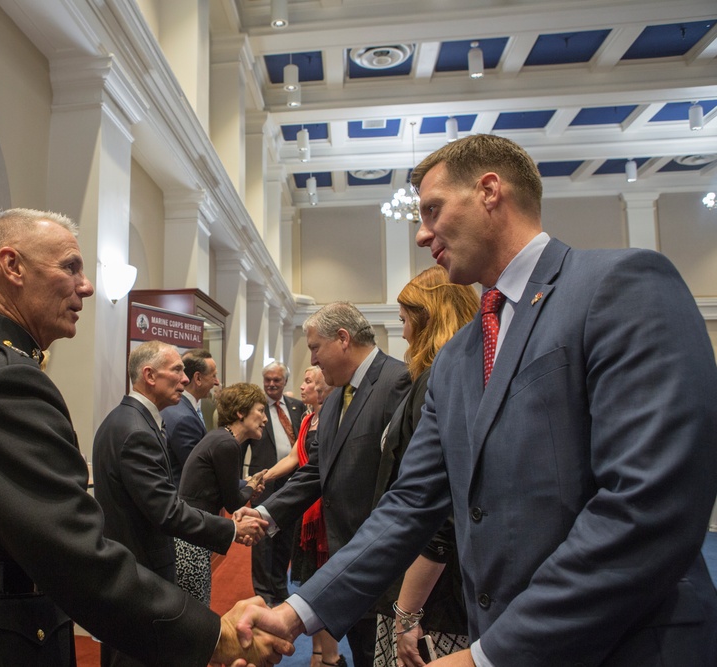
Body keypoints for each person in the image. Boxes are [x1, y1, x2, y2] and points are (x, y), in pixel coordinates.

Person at [236, 134, 717, 667]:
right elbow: (411, 503)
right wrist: (297, 613)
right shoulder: (459, 354)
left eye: (433, 210)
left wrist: (488, 656)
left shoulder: (620, 286)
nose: (421, 235)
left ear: (490, 191)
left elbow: (649, 505)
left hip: (629, 646)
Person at [0, 208, 290, 667]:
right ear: (12, 266)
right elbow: (76, 556)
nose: (87, 286)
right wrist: (216, 635)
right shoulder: (5, 382)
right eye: (70, 266)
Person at [239, 302, 411, 667]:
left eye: (316, 348)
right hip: (342, 559)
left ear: (343, 339)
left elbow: (406, 483)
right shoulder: (333, 400)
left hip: (384, 565)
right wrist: (265, 515)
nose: (313, 361)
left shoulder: (399, 382)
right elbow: (316, 471)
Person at [92, 340, 269, 667]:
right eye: (176, 371)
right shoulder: (135, 430)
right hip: (139, 574)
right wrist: (231, 528)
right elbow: (166, 510)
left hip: (129, 571)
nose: (185, 379)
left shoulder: (124, 420)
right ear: (149, 375)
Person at [370, 266, 479, 667]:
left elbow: (438, 508)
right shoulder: (450, 378)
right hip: (425, 584)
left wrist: (408, 613)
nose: (402, 334)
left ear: (428, 317)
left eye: (404, 321)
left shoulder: (436, 381)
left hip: (431, 597)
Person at [263, 366, 345, 667]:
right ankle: (318, 653)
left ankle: (332, 656)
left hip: (326, 511)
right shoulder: (308, 419)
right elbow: (296, 458)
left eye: (308, 381)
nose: (302, 386)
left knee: (326, 583)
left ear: (324, 386)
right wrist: (265, 476)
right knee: (312, 582)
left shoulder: (337, 417)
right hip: (307, 510)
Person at [176, 382, 269, 605]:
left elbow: (220, 486)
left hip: (190, 533)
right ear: (240, 412)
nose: (265, 419)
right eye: (260, 410)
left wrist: (246, 484)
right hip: (192, 540)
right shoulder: (227, 444)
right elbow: (233, 504)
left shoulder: (220, 438)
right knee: (196, 611)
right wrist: (252, 485)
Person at [240, 362, 306, 606]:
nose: (271, 384)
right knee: (262, 539)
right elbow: (240, 446)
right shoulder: (255, 409)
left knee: (285, 537)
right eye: (267, 379)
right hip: (263, 483)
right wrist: (239, 485)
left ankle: (280, 589)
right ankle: (263, 594)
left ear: (284, 381)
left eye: (276, 380)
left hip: (294, 482)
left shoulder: (297, 407)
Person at [160, 347, 221, 486]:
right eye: (213, 376)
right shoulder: (184, 418)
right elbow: (199, 471)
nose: (217, 382)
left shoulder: (180, 407)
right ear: (198, 378)